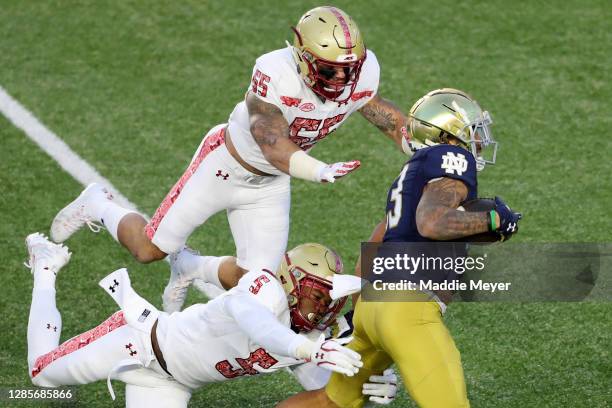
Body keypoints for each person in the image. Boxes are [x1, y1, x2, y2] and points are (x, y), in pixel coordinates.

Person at [49, 5, 412, 312]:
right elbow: (271, 139)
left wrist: (431, 150)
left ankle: (191, 267)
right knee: (148, 250)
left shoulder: (359, 75)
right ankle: (97, 203)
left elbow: (387, 117)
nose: (342, 78)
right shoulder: (276, 72)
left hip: (269, 186)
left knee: (258, 288)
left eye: (349, 68)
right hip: (223, 167)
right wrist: (318, 170)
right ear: (302, 58)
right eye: (330, 68)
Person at [276, 88, 523, 408]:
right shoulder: (453, 158)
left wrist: (359, 310)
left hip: (373, 309)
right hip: (409, 311)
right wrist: (493, 219)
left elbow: (376, 243)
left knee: (330, 401)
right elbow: (432, 223)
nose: (478, 140)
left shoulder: (412, 175)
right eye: (472, 130)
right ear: (449, 134)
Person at [25, 234, 400, 407]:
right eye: (316, 296)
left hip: (169, 387)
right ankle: (45, 265)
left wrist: (362, 386)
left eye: (330, 301)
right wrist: (307, 349)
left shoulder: (311, 335)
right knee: (40, 378)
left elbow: (320, 386)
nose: (322, 310)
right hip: (138, 343)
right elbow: (254, 322)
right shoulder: (263, 289)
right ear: (291, 281)